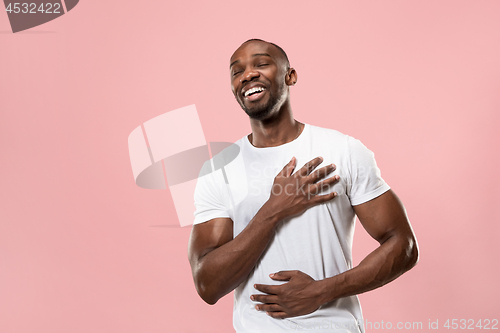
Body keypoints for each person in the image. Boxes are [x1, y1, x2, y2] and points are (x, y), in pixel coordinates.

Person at [187, 39, 419, 333]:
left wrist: (323, 290)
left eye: (261, 63)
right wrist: (273, 211)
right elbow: (207, 284)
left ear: (290, 75)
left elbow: (404, 245)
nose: (247, 74)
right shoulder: (218, 171)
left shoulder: (342, 150)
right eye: (237, 71)